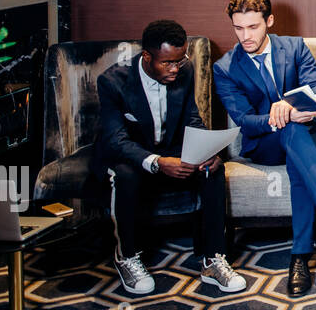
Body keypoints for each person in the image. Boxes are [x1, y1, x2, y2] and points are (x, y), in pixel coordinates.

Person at [212, 0, 316, 297]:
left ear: (269, 21)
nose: (245, 35)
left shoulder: (295, 47)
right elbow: (244, 120)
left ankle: (300, 256)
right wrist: (279, 116)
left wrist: (296, 107)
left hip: (307, 134)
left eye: (253, 26)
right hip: (263, 144)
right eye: (238, 27)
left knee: (296, 146)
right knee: (289, 134)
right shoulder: (225, 68)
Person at [95, 19, 247, 295]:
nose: (176, 68)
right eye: (168, 63)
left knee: (212, 169)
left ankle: (213, 260)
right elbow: (115, 140)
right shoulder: (112, 82)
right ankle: (126, 256)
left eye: (180, 60)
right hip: (130, 155)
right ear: (147, 57)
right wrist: (157, 162)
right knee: (125, 175)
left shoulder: (184, 70)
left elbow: (192, 118)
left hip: (170, 148)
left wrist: (206, 150)